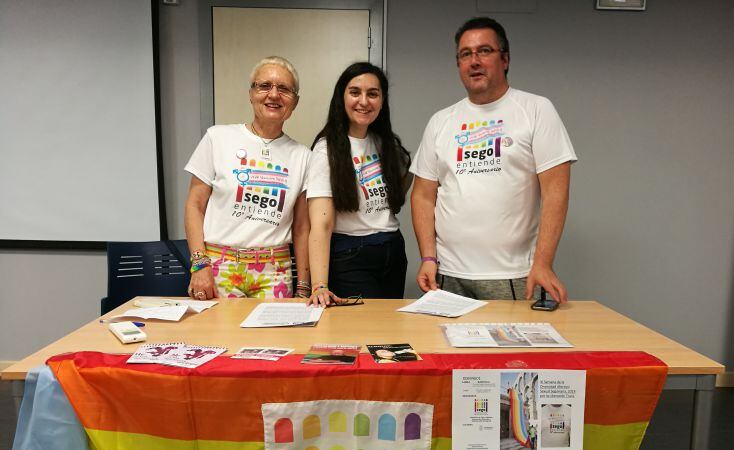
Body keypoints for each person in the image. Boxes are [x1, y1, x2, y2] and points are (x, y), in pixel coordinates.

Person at [410, 17, 577, 303]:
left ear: (505, 59)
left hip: (513, 275)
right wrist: (428, 256)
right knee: (444, 349)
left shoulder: (536, 110)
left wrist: (543, 262)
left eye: (484, 51)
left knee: (508, 350)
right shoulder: (441, 121)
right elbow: (423, 196)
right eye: (465, 54)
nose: (474, 61)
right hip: (447, 276)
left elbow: (555, 193)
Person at [184, 56, 312, 300]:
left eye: (284, 89)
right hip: (218, 267)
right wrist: (199, 265)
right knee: (218, 339)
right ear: (251, 94)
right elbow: (194, 205)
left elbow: (302, 228)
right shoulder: (217, 138)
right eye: (264, 86)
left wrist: (304, 286)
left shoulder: (303, 156)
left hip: (275, 271)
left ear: (294, 102)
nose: (273, 95)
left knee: (276, 339)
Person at [306, 62, 411, 307]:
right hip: (350, 256)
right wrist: (319, 285)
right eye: (355, 92)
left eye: (372, 94)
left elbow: (404, 182)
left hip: (393, 248)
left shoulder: (386, 144)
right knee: (366, 332)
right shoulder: (326, 149)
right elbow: (321, 224)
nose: (364, 101)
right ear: (341, 97)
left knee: (388, 329)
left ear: (382, 101)